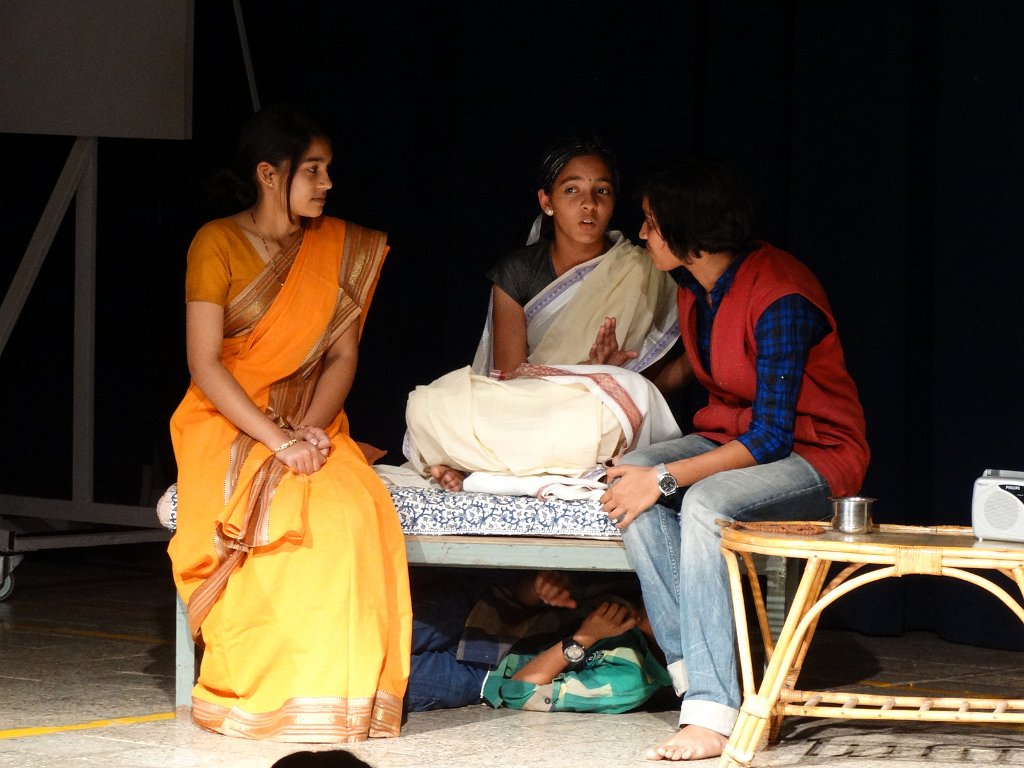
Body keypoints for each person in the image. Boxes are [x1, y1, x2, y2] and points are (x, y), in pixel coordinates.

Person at [600, 157, 869, 761]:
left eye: (650, 224)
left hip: (816, 454)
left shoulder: (781, 297)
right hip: (737, 438)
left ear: (688, 233)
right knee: (629, 475)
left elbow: (772, 437)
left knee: (700, 501)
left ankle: (713, 712)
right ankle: (694, 677)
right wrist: (630, 381)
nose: (641, 234)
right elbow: (706, 365)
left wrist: (665, 478)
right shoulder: (696, 285)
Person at [167, 105, 411, 742]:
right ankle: (266, 689)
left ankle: (338, 695)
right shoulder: (216, 242)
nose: (328, 183)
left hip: (312, 419)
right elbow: (204, 363)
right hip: (227, 418)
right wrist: (275, 440)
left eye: (328, 170)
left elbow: (342, 356)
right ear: (269, 174)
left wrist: (309, 431)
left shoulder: (342, 247)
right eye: (313, 170)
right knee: (272, 517)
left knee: (349, 509)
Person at [412, 139, 686, 492]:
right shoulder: (517, 271)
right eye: (572, 190)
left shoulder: (643, 270)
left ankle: (480, 468)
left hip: (589, 414)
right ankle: (514, 468)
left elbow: (648, 392)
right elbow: (511, 378)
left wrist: (609, 377)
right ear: (547, 202)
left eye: (602, 191)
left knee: (605, 419)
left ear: (613, 202)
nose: (589, 203)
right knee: (425, 405)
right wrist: (585, 371)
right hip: (527, 409)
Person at [405, 569, 670, 715]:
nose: (660, 599)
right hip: (481, 615)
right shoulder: (634, 597)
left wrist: (585, 638)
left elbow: (518, 691)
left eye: (670, 608)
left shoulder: (629, 682)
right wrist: (538, 589)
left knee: (382, 680)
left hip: (480, 675)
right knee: (381, 632)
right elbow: (519, 591)